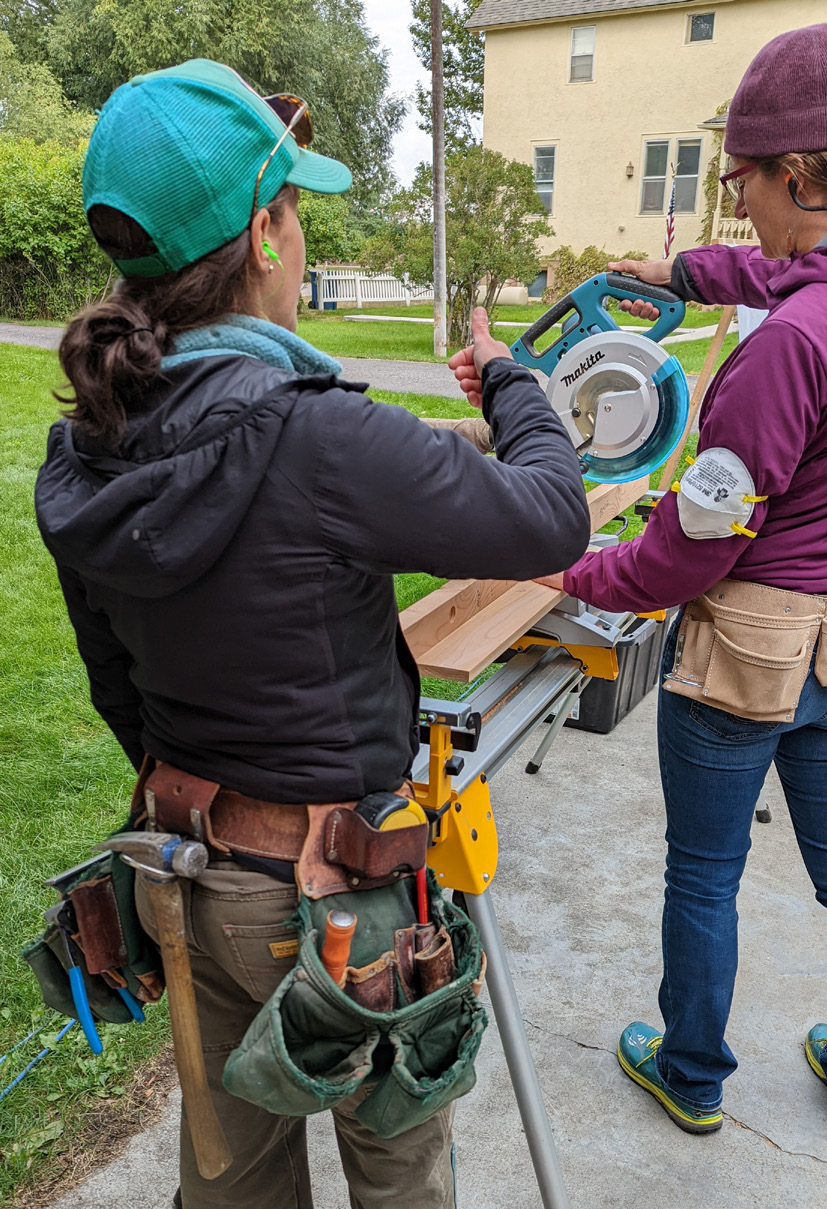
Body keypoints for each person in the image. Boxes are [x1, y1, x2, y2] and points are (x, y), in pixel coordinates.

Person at [34, 60, 590, 1209]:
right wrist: (513, 379)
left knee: (231, 1185)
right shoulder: (319, 437)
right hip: (337, 897)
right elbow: (552, 514)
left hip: (182, 878)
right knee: (398, 1171)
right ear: (267, 234)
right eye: (296, 206)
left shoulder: (86, 448)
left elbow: (115, 692)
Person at [536, 23, 827, 1142]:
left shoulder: (789, 347)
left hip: (752, 651)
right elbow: (801, 264)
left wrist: (573, 568)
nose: (735, 203)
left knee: (705, 875)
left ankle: (692, 1071)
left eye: (738, 180)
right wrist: (674, 270)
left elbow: (691, 550)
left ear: (789, 173)